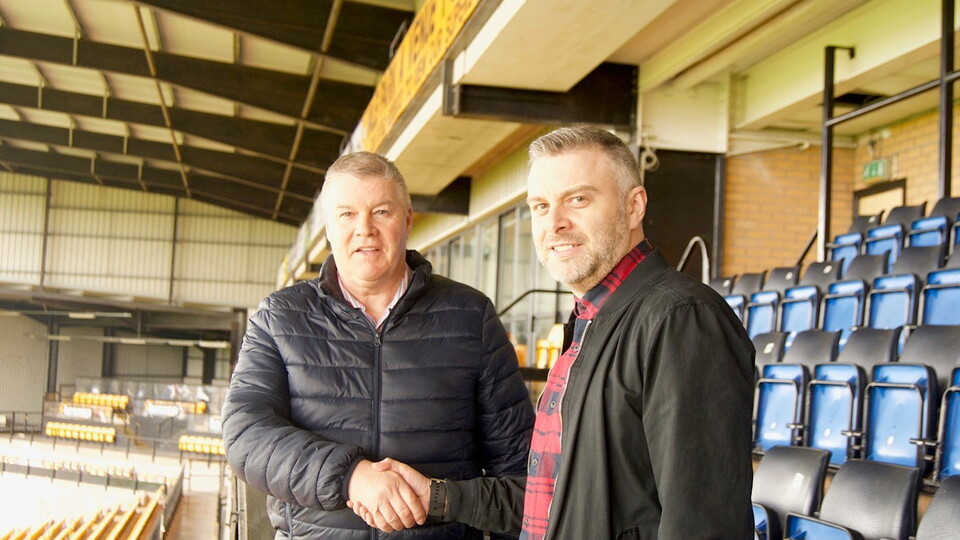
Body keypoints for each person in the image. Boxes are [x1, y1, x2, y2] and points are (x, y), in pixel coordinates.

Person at [350, 126, 756, 539]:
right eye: (541, 206)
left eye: (578, 199)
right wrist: (438, 497)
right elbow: (553, 501)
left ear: (634, 207)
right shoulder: (590, 323)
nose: (555, 223)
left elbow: (704, 525)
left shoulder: (681, 319)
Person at [222, 151, 535, 540]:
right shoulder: (281, 316)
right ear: (329, 228)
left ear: (407, 219)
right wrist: (350, 476)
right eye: (347, 214)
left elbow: (518, 467)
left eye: (381, 212)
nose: (365, 229)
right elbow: (245, 433)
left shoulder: (470, 317)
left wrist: (447, 501)